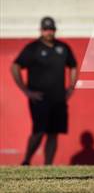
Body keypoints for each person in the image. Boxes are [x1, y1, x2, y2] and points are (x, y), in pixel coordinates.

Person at [11, 16, 78, 165]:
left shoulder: (63, 48)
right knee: (39, 132)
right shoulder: (33, 48)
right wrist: (26, 91)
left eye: (51, 29)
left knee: (53, 133)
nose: (49, 32)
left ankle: (48, 165)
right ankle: (27, 160)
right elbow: (15, 66)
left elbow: (73, 65)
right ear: (41, 30)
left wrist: (71, 87)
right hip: (39, 98)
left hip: (58, 98)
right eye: (46, 29)